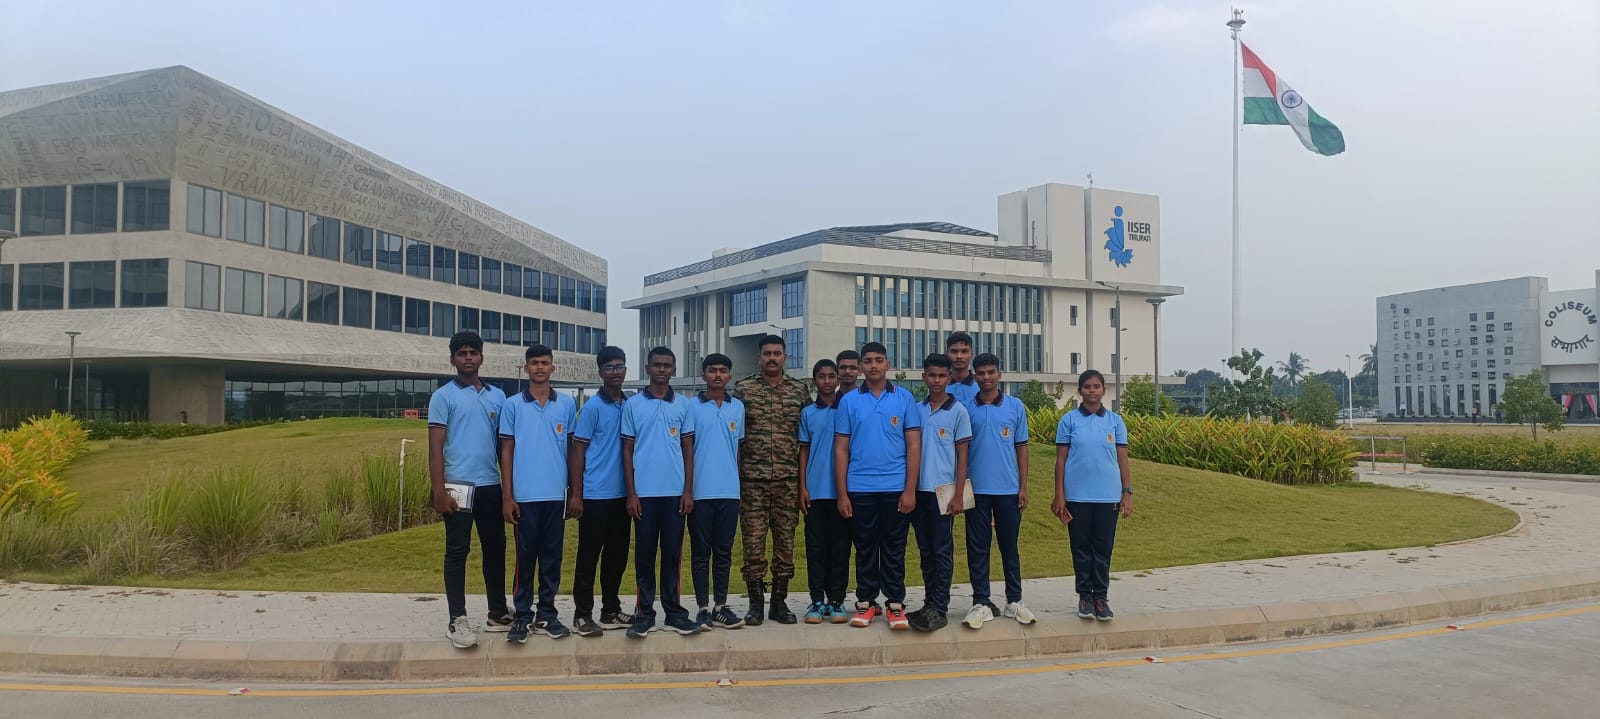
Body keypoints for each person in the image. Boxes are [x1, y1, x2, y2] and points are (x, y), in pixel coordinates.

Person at [428, 331, 511, 649]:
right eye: (461, 353)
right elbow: (435, 448)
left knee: (495, 548)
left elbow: (504, 448)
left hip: (490, 484)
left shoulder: (497, 396)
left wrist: (508, 492)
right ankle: (457, 619)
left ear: (481, 358)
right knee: (457, 551)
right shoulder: (443, 396)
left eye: (472, 352)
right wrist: (439, 491)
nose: (467, 358)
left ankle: (497, 612)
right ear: (452, 359)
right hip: (457, 486)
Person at [835, 341, 921, 630]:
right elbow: (841, 449)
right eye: (868, 360)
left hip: (896, 487)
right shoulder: (849, 401)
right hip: (860, 487)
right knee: (865, 547)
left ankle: (895, 603)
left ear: (888, 364)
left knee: (894, 546)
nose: (873, 365)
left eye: (879, 360)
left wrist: (910, 489)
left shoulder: (904, 398)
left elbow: (913, 445)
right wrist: (842, 493)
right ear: (861, 366)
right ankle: (866, 602)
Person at [498, 344, 576, 642]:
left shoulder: (566, 404)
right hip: (525, 496)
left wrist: (574, 491)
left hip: (555, 495)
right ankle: (522, 615)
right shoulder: (513, 405)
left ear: (552, 368)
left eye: (544, 363)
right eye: (534, 363)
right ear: (526, 368)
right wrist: (508, 496)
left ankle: (547, 614)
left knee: (552, 557)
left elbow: (572, 449)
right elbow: (506, 450)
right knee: (525, 557)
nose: (540, 367)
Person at [622, 346, 701, 638]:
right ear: (648, 368)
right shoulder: (633, 405)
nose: (662, 370)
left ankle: (674, 612)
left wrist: (688, 490)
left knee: (672, 555)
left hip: (674, 494)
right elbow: (627, 450)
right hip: (643, 494)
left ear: (674, 369)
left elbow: (688, 449)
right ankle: (644, 614)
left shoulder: (683, 405)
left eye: (667, 365)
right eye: (657, 365)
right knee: (644, 555)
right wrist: (631, 494)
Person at [733, 334, 811, 626]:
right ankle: (755, 604)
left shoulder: (799, 391)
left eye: (777, 353)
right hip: (752, 481)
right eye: (767, 354)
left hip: (787, 481)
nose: (772, 358)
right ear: (759, 357)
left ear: (785, 357)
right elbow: (736, 438)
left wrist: (803, 485)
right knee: (753, 544)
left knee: (785, 544)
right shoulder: (743, 390)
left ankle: (779, 602)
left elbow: (805, 439)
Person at [1052, 370, 1133, 622]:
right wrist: (1059, 494)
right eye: (1087, 386)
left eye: (1096, 386)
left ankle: (1101, 597)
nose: (1092, 390)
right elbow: (1061, 460)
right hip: (1077, 496)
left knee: (1103, 548)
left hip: (1108, 496)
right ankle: (1085, 596)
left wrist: (1127, 492)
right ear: (1080, 391)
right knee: (1081, 548)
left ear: (1103, 390)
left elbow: (1122, 459)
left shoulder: (1115, 422)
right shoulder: (1069, 421)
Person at [962, 353, 1035, 629]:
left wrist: (1023, 487)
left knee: (1009, 546)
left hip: (1008, 490)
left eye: (991, 372)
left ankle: (1014, 600)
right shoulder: (966, 408)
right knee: (978, 548)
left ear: (999, 374)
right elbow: (961, 451)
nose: (986, 377)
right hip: (976, 490)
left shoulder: (1015, 406)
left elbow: (1022, 448)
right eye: (981, 373)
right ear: (975, 375)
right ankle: (981, 601)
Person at [567, 346, 634, 637]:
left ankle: (610, 610)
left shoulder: (630, 405)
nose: (615, 372)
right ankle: (582, 614)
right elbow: (578, 451)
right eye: (609, 368)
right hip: (595, 494)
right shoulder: (593, 407)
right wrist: (577, 493)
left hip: (623, 495)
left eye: (619, 366)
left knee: (616, 557)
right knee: (589, 556)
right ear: (600, 372)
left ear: (626, 370)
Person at [908, 353, 970, 632]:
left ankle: (940, 607)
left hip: (943, 492)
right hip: (918, 491)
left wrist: (958, 494)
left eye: (942, 376)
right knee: (925, 550)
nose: (936, 380)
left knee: (942, 550)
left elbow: (963, 455)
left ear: (949, 378)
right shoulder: (916, 409)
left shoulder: (958, 411)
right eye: (931, 375)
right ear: (924, 377)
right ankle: (928, 602)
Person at [689, 353, 747, 631]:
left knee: (724, 552)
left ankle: (721, 606)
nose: (717, 375)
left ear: (729, 376)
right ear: (703, 375)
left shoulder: (737, 408)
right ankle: (702, 608)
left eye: (723, 370)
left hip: (729, 492)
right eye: (712, 370)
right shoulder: (691, 407)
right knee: (701, 553)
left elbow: (738, 450)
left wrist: (739, 487)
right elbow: (686, 450)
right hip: (699, 492)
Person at [798, 359, 850, 624]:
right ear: (814, 380)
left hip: (844, 493)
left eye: (832, 376)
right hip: (816, 491)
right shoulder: (808, 413)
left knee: (840, 549)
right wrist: (802, 486)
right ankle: (817, 600)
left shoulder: (848, 408)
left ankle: (837, 600)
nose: (827, 381)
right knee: (816, 549)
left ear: (838, 379)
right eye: (822, 376)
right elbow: (804, 450)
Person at [945, 332, 978, 404]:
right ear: (947, 354)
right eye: (954, 352)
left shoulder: (981, 385)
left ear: (971, 354)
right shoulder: (939, 385)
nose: (959, 356)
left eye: (964, 351)